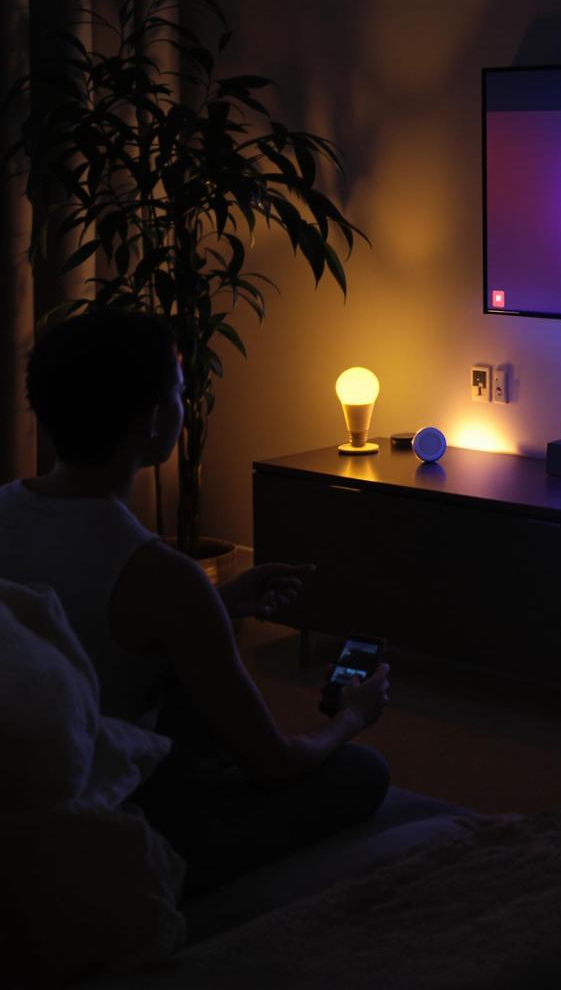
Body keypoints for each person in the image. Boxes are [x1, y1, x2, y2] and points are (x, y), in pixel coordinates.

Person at [0, 308, 391, 898]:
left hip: (24, 771)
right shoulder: (161, 576)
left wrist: (217, 603)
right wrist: (353, 716)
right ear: (154, 420)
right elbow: (276, 763)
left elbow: (81, 622)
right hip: (112, 799)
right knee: (364, 772)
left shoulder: (7, 508)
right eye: (180, 392)